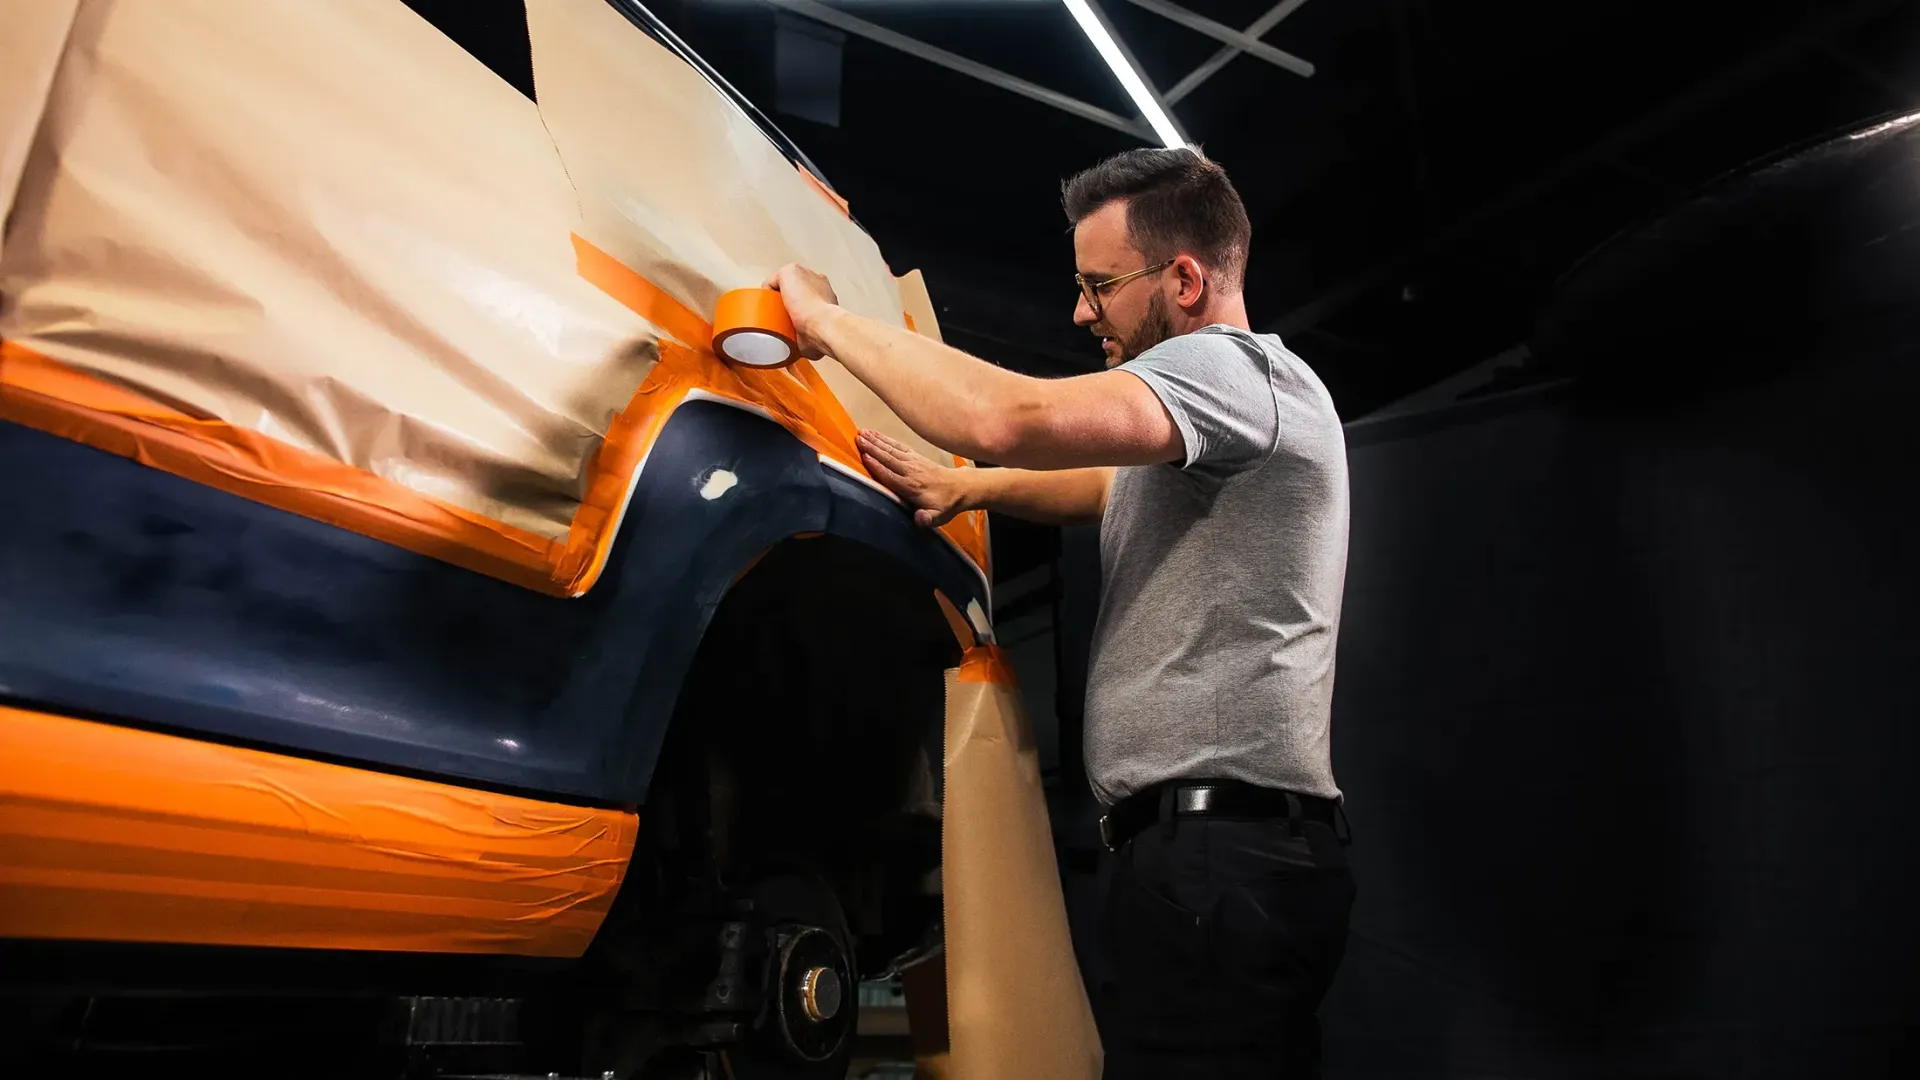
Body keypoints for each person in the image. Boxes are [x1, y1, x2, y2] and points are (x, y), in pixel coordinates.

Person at [766, 147, 1354, 1078]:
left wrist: (821, 320)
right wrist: (972, 489)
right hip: (1209, 859)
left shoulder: (1231, 369)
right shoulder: (1222, 423)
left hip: (1218, 858)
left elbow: (1008, 417)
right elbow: (1106, 487)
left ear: (1186, 281)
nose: (1082, 313)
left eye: (1099, 286)